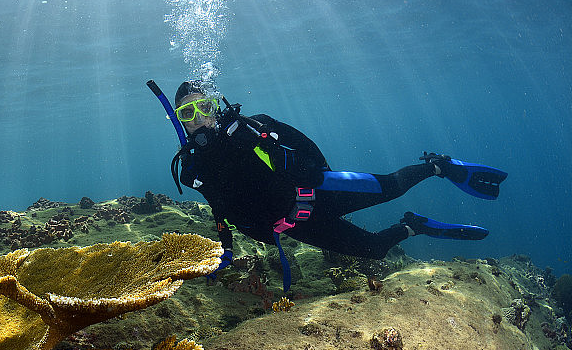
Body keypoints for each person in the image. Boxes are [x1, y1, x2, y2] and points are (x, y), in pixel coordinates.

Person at [167, 80, 508, 290]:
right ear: (180, 122)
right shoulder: (192, 170)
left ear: (214, 106)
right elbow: (219, 207)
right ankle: (413, 226)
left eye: (204, 107)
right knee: (374, 249)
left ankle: (438, 166)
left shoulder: (253, 128)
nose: (199, 119)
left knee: (390, 186)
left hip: (317, 193)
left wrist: (316, 171)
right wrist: (225, 246)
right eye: (187, 114)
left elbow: (306, 145)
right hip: (293, 225)